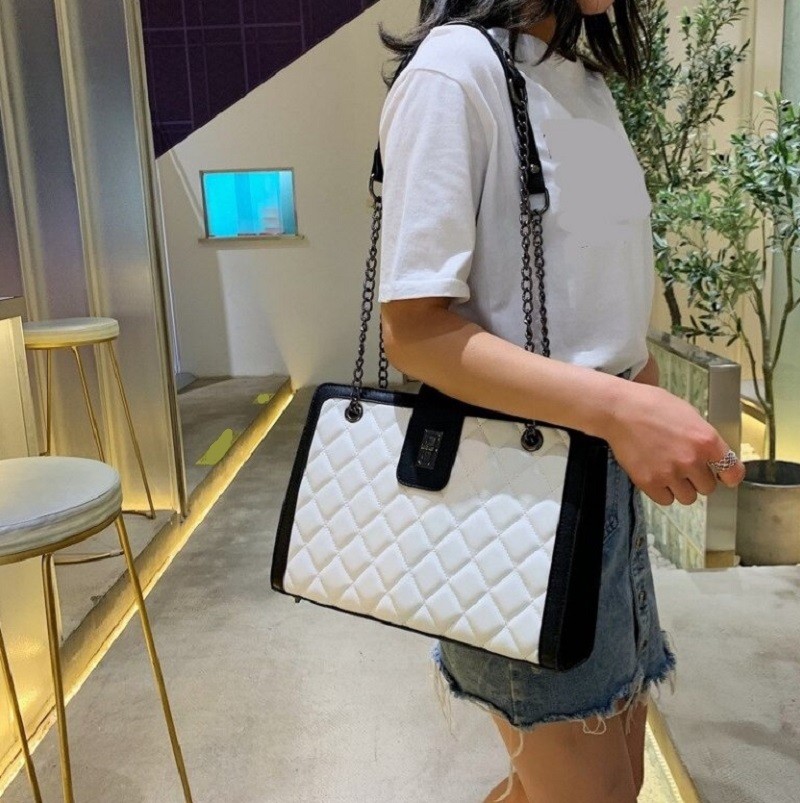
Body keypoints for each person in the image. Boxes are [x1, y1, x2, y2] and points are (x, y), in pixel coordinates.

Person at [375, 2, 746, 802]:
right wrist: (619, 409)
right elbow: (414, 330)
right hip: (510, 500)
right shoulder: (454, 73)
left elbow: (587, 305)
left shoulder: (580, 81)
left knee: (610, 781)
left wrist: (642, 393)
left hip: (599, 490)